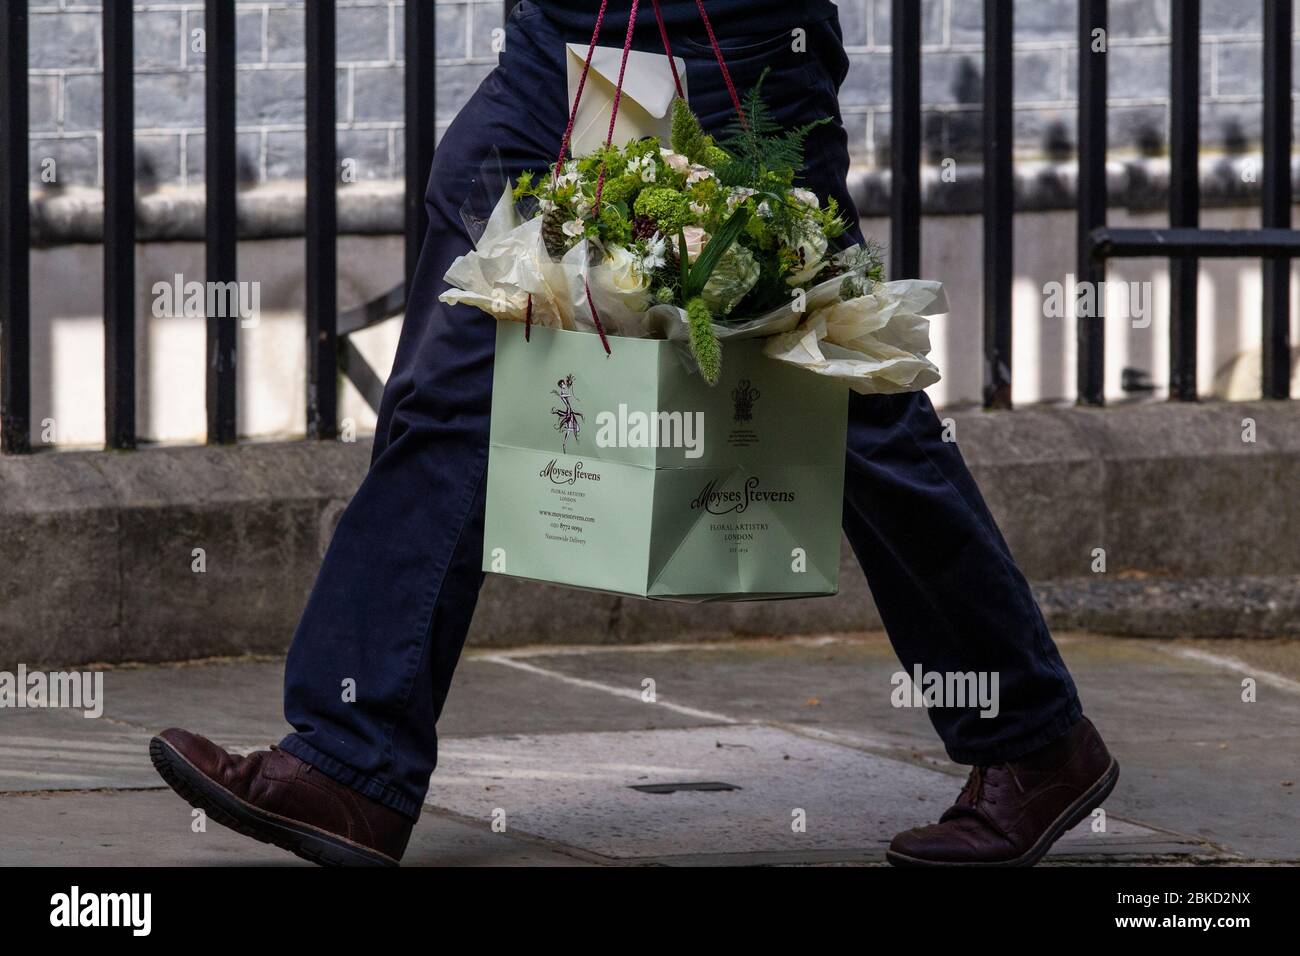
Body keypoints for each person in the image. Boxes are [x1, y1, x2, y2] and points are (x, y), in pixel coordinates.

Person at [149, 0, 1118, 868]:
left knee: (837, 385)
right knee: (454, 367)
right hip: (560, 43)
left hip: (735, 43)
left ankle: (1030, 737)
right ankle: (352, 760)